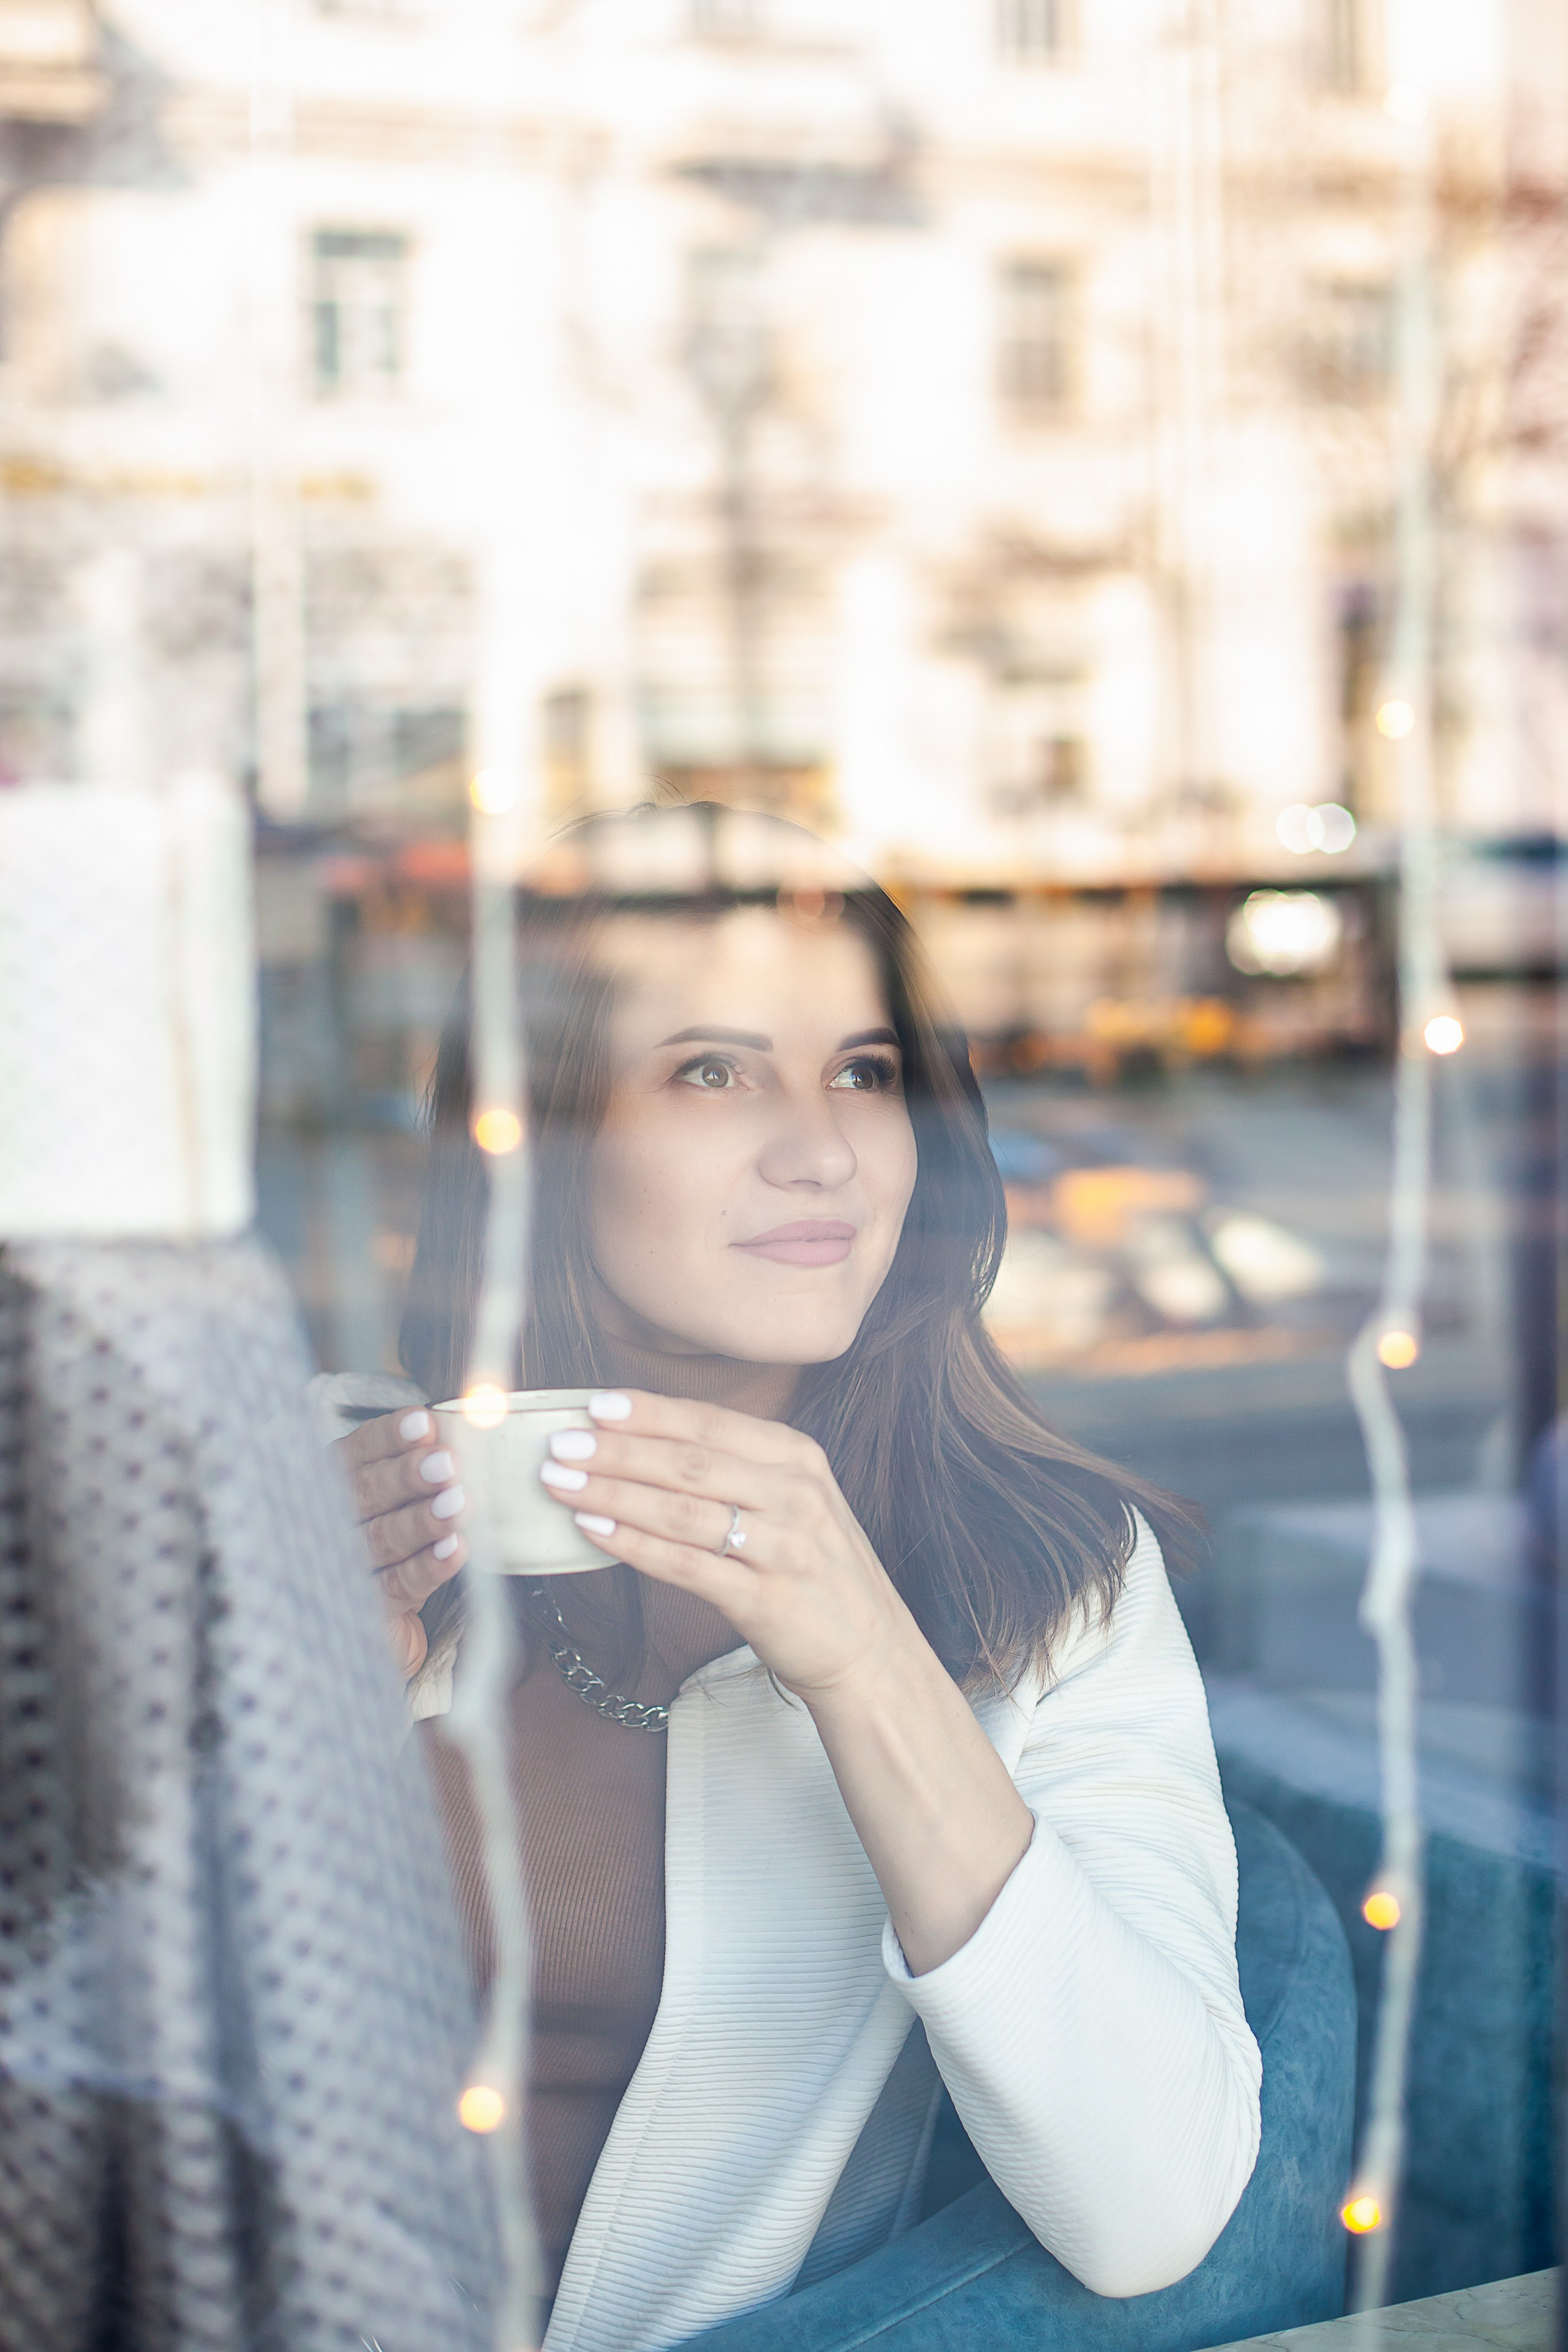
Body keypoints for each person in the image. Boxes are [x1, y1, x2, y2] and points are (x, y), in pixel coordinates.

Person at [333, 804, 1262, 2352]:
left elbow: (1153, 2211)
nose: (821, 1149)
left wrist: (864, 1658)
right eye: (712, 1070)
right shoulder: (326, 1491)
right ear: (538, 1132)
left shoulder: (1050, 1580)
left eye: (863, 1073)